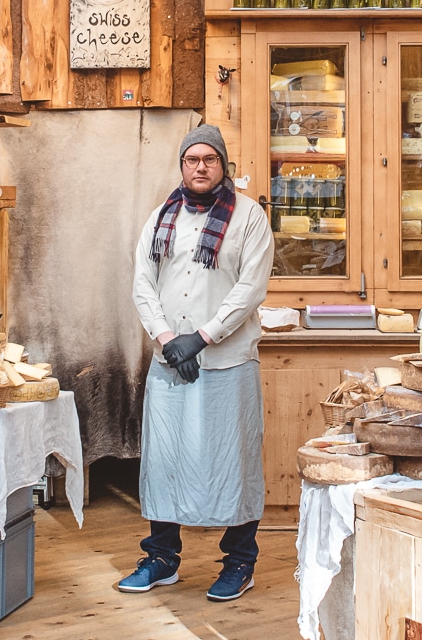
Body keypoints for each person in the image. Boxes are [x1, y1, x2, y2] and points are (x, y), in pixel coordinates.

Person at [120, 124, 274, 602]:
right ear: (183, 166)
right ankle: (162, 557)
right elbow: (143, 283)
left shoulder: (249, 218)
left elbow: (251, 288)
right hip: (170, 362)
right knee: (165, 458)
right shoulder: (160, 217)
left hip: (227, 362)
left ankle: (239, 562)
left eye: (210, 158)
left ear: (223, 165)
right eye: (192, 159)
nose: (201, 166)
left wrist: (202, 339)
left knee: (235, 462)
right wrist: (169, 341)